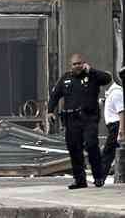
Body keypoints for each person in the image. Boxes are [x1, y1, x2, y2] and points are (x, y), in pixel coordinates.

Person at [48, 53, 112, 188]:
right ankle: (80, 180)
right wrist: (49, 111)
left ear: (84, 63)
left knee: (91, 145)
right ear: (71, 65)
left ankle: (98, 176)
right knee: (74, 149)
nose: (77, 66)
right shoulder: (66, 78)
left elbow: (107, 78)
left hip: (89, 118)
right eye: (74, 64)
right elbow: (55, 96)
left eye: (79, 63)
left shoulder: (92, 76)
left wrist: (92, 70)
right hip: (71, 120)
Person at [101, 69, 125, 180]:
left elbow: (121, 112)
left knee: (107, 152)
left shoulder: (116, 93)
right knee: (110, 152)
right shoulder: (111, 93)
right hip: (113, 127)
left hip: (116, 126)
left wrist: (121, 130)